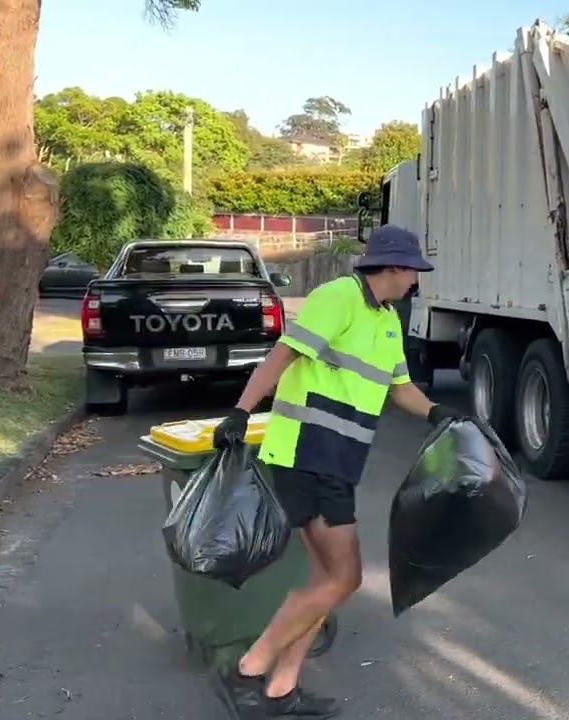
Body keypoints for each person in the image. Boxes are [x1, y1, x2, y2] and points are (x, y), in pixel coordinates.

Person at [210, 225, 461, 717]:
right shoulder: (337, 297)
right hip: (306, 455)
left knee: (328, 579)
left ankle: (282, 689)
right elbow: (283, 354)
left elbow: (398, 387)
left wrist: (436, 412)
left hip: (340, 461)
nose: (415, 281)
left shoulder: (389, 321)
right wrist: (241, 410)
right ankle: (248, 668)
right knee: (344, 578)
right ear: (391, 267)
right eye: (412, 272)